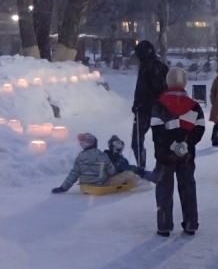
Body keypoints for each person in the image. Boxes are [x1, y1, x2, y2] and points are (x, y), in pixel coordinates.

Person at [149, 67, 205, 236]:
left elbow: (157, 131)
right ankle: (191, 223)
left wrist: (172, 146)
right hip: (187, 156)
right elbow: (199, 129)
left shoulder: (159, 104)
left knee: (164, 189)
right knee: (188, 186)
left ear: (168, 82)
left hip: (165, 156)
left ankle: (164, 225)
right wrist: (185, 146)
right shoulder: (194, 106)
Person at [51, 133, 135, 194]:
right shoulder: (102, 156)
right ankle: (136, 182)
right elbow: (111, 172)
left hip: (85, 186)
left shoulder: (80, 157)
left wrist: (62, 189)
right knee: (127, 174)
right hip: (100, 186)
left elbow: (74, 174)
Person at [131, 41, 170, 170]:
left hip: (149, 108)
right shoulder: (157, 66)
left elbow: (144, 89)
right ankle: (159, 166)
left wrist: (139, 103)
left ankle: (145, 166)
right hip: (156, 108)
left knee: (138, 140)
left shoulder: (150, 67)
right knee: (158, 140)